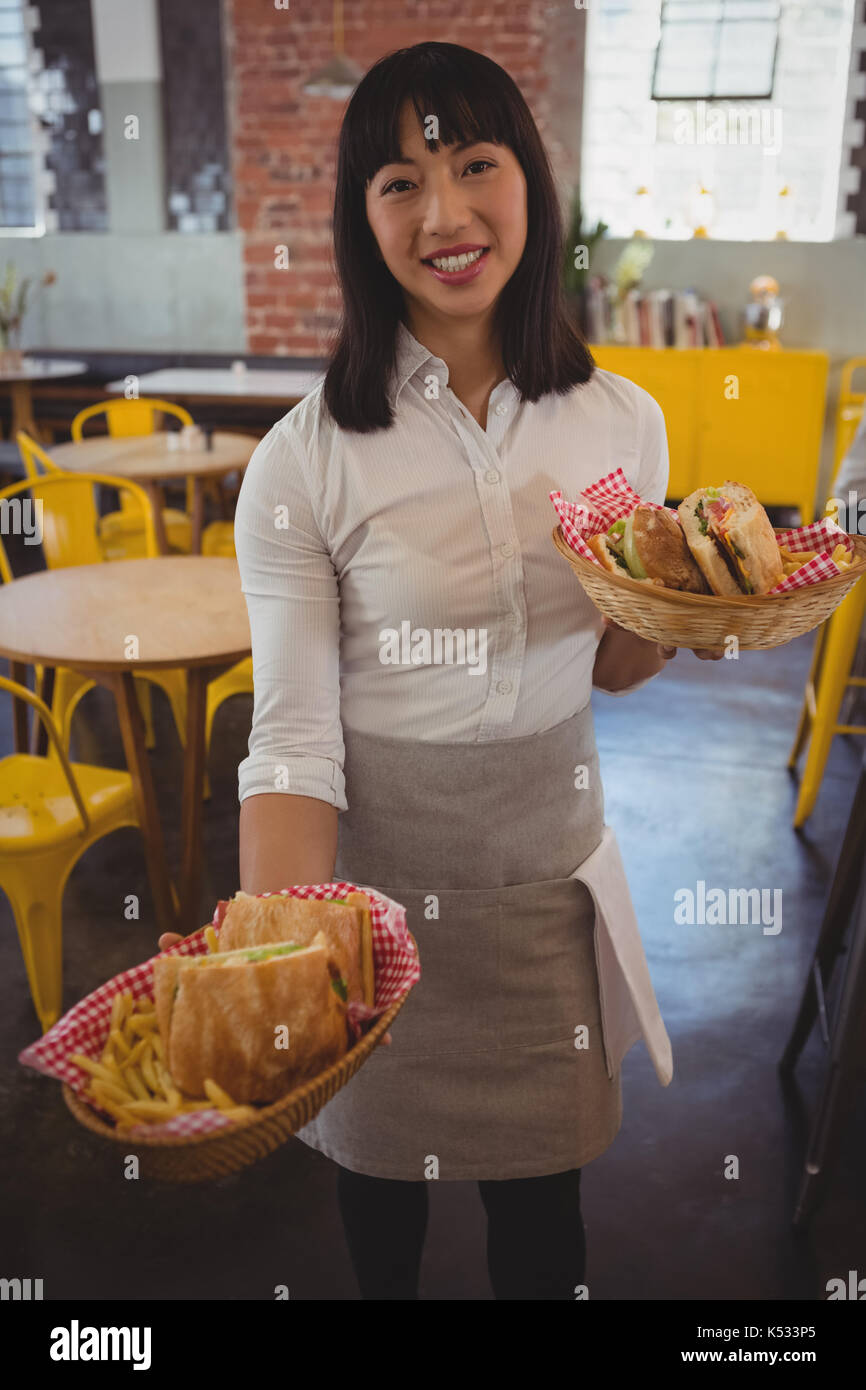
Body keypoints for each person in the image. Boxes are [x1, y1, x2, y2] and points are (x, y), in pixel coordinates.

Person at [161, 41, 722, 1300]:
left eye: (475, 163)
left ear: (529, 176)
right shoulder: (304, 465)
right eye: (400, 183)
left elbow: (616, 664)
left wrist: (689, 614)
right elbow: (296, 734)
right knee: (380, 1231)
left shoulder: (622, 421)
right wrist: (275, 968)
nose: (448, 213)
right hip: (378, 908)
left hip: (543, 887)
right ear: (362, 222)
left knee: (545, 1230)